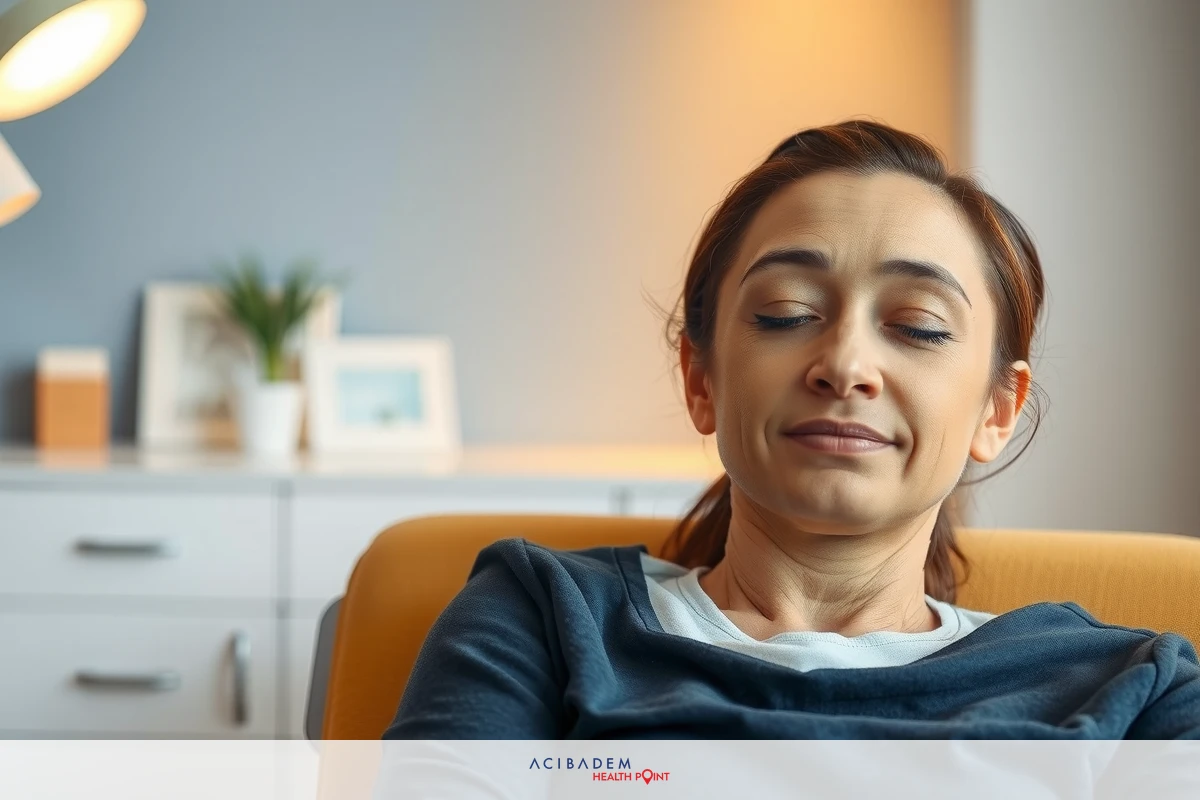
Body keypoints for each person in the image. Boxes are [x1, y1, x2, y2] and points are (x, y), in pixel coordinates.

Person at [382, 119, 1199, 740]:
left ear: (998, 409)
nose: (845, 364)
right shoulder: (544, 619)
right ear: (700, 378)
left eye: (917, 325)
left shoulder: (1134, 690)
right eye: (787, 314)